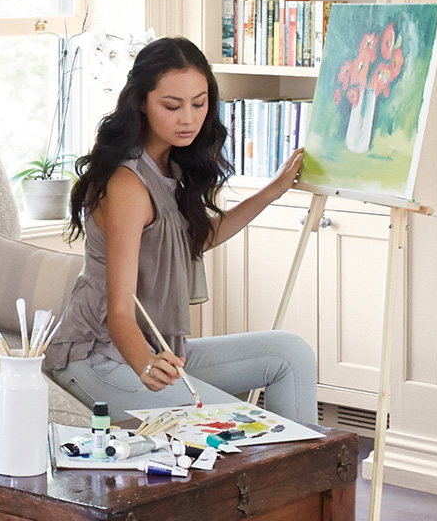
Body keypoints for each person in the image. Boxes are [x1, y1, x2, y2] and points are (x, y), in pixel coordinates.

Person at [45, 35, 317, 423]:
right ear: (141, 103)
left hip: (157, 348)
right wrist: (146, 366)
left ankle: (301, 481)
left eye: (199, 103)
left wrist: (272, 190)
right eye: (172, 106)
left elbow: (197, 238)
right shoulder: (127, 186)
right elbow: (119, 311)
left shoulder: (169, 167)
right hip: (98, 356)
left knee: (290, 354)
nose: (188, 118)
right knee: (238, 426)